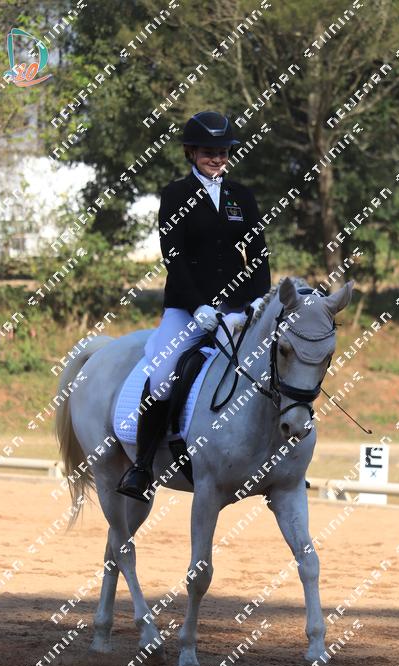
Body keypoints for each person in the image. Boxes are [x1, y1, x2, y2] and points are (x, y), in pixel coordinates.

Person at [116, 110, 271, 501]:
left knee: (271, 366)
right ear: (191, 152)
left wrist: (257, 300)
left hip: (237, 308)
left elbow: (258, 255)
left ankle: (280, 461)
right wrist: (198, 305)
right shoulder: (176, 195)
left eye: (222, 152)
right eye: (208, 152)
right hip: (187, 309)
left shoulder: (242, 196)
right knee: (163, 375)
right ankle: (142, 465)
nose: (216, 158)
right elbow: (174, 255)